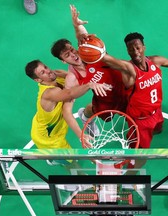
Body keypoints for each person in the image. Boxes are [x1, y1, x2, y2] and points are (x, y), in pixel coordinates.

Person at [50, 5, 127, 145]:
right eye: (67, 55)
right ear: (63, 60)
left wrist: (76, 26)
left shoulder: (89, 51)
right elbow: (66, 112)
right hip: (105, 99)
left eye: (72, 50)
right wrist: (81, 135)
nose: (73, 55)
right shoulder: (72, 79)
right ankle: (85, 116)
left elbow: (83, 35)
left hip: (124, 85)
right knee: (106, 116)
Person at [25, 60, 111, 149]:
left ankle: (85, 116)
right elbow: (70, 94)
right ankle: (54, 160)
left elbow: (76, 78)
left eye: (45, 67)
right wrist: (89, 85)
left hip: (57, 124)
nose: (48, 71)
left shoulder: (57, 74)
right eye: (43, 72)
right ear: (38, 80)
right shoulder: (49, 93)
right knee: (72, 162)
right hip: (48, 137)